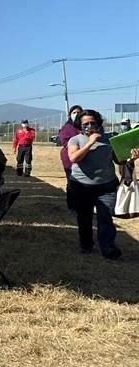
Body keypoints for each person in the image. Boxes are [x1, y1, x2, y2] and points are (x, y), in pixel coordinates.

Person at [66, 110, 139, 260]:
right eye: (85, 123)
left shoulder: (109, 139)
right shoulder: (75, 140)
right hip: (81, 186)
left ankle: (108, 248)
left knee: (105, 217)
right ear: (80, 125)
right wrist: (91, 142)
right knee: (84, 217)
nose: (90, 125)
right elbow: (74, 158)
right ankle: (86, 244)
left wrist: (131, 157)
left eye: (93, 122)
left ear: (99, 123)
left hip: (106, 186)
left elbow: (119, 160)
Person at [58, 106, 84, 211]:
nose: (76, 114)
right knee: (72, 182)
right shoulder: (67, 128)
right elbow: (65, 142)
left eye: (79, 112)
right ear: (70, 114)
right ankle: (72, 205)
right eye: (74, 112)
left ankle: (81, 203)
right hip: (70, 160)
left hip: (83, 159)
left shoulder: (84, 126)